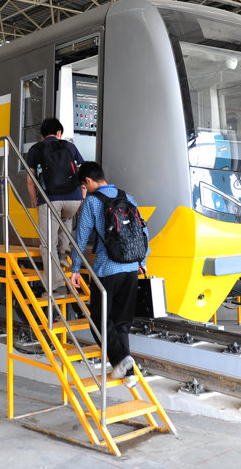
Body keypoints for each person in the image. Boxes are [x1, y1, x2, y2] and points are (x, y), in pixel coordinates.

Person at [69, 161, 149, 385]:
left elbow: (81, 238)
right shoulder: (128, 197)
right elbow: (143, 231)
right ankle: (128, 373)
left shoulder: (93, 202)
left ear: (88, 181)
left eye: (84, 187)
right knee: (121, 322)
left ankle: (121, 362)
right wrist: (142, 260)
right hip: (132, 268)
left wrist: (75, 268)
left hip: (107, 269)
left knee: (98, 320)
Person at [26, 118, 84, 295]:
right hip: (73, 199)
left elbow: (30, 181)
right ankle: (62, 252)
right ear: (59, 133)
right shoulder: (70, 147)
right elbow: (82, 175)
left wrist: (37, 201)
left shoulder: (36, 149)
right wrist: (81, 199)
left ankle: (55, 287)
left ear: (42, 135)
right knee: (65, 218)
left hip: (50, 199)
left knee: (46, 245)